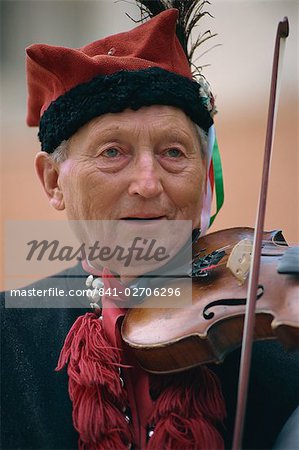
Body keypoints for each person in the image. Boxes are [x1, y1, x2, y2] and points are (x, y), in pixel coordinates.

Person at [1, 2, 298, 450]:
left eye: (174, 152)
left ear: (204, 177)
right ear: (53, 180)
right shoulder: (9, 341)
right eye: (112, 152)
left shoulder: (276, 339)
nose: (147, 183)